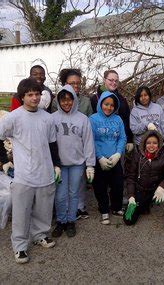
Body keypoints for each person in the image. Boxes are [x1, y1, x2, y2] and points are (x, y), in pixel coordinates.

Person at [0, 78, 61, 264]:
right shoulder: (13, 118)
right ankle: (20, 246)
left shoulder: (47, 118)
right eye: (30, 95)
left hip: (45, 172)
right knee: (21, 212)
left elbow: (53, 143)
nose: (35, 98)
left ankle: (41, 235)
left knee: (44, 209)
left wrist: (56, 164)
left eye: (37, 94)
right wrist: (4, 161)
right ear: (22, 97)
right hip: (24, 175)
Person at [51, 85, 96, 238]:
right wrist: (52, 163)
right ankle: (60, 221)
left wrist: (90, 165)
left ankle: (71, 221)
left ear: (74, 100)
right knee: (60, 195)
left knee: (73, 193)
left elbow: (88, 142)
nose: (66, 103)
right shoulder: (53, 119)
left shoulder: (83, 119)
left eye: (69, 100)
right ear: (58, 101)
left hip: (77, 163)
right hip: (60, 165)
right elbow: (48, 143)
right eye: (63, 100)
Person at [123, 130, 164, 230]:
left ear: (159, 144)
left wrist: (163, 186)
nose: (151, 146)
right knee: (128, 220)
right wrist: (131, 196)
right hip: (140, 191)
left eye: (154, 143)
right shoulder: (137, 156)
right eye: (148, 143)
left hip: (156, 190)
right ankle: (143, 206)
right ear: (144, 144)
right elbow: (131, 177)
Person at [89, 91, 126, 225]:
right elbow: (90, 140)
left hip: (114, 159)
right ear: (100, 103)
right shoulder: (93, 119)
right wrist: (99, 157)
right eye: (106, 104)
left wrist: (118, 154)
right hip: (99, 160)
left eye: (111, 105)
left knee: (117, 185)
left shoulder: (118, 119)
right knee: (100, 186)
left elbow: (122, 137)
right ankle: (104, 210)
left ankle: (116, 207)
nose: (108, 107)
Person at [90, 70, 133, 152]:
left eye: (116, 81)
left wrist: (129, 139)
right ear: (104, 80)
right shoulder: (95, 99)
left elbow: (127, 119)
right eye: (111, 80)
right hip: (100, 145)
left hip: (119, 143)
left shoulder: (122, 99)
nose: (114, 83)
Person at [130, 85, 164, 153]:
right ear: (138, 97)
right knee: (145, 163)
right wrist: (146, 125)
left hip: (158, 144)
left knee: (159, 163)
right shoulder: (135, 111)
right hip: (142, 146)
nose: (143, 98)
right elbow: (134, 129)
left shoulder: (157, 107)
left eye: (145, 95)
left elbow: (163, 126)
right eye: (141, 96)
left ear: (149, 95)